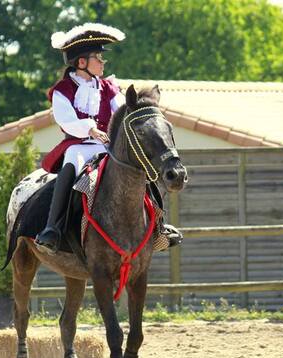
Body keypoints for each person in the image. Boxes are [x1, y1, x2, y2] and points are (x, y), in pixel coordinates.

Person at [35, 23, 182, 255]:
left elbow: (120, 112)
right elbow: (65, 120)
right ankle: (53, 228)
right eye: (98, 58)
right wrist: (90, 128)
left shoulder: (108, 87)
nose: (103, 62)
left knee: (138, 167)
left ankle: (159, 227)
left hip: (107, 146)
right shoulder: (62, 90)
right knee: (70, 166)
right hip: (79, 145)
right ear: (81, 62)